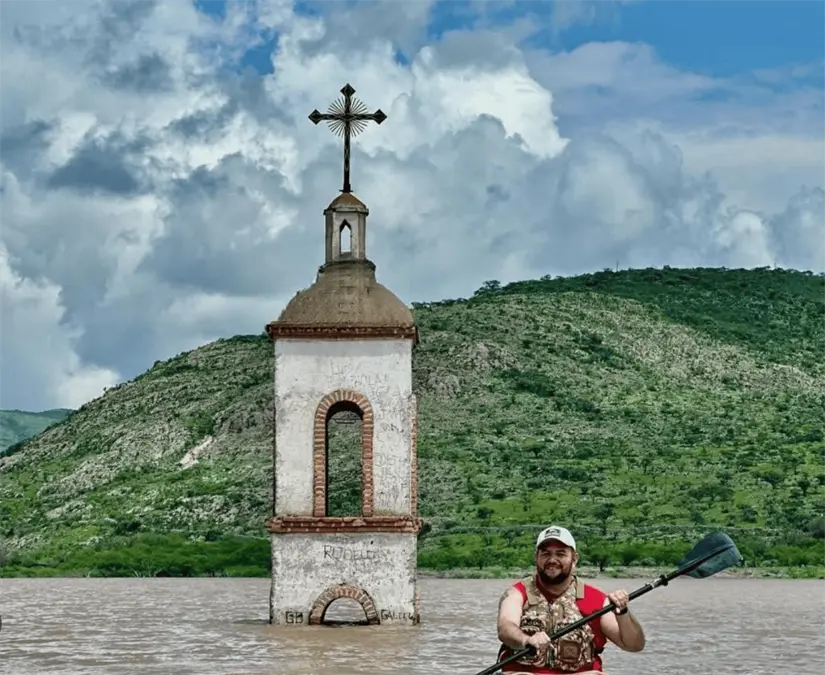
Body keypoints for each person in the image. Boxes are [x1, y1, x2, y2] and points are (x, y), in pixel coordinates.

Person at [496, 525, 646, 674]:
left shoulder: (596, 599)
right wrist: (526, 640)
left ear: (574, 559)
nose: (552, 560)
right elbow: (505, 627)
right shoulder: (517, 593)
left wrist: (623, 612)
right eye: (546, 554)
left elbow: (633, 645)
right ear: (536, 557)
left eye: (561, 554)